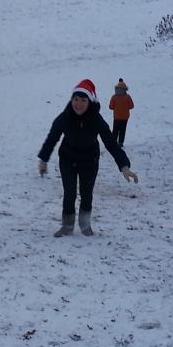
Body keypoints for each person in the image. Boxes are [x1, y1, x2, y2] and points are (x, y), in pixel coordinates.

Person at [37, 78, 138, 237]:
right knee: (69, 193)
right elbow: (52, 138)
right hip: (68, 159)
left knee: (86, 193)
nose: (78, 104)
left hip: (89, 161)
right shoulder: (65, 117)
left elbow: (111, 143)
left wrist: (124, 166)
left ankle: (85, 225)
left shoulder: (96, 119)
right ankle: (67, 226)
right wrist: (43, 160)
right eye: (76, 99)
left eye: (83, 100)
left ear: (89, 102)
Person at [108, 78, 134, 147]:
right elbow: (132, 106)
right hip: (125, 118)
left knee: (115, 130)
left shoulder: (114, 97)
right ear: (125, 89)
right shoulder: (128, 97)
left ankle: (113, 143)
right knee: (123, 130)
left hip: (116, 117)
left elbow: (111, 107)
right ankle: (120, 143)